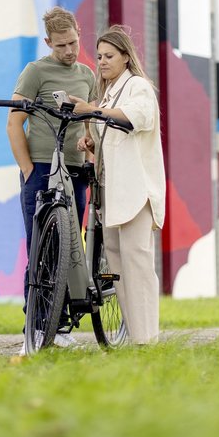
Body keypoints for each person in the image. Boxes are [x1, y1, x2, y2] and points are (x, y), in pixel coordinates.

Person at [7, 6, 96, 350]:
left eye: (72, 43)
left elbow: (89, 124)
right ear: (48, 42)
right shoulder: (35, 72)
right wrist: (28, 170)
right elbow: (14, 122)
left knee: (71, 248)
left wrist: (90, 157)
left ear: (78, 34)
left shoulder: (87, 75)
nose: (68, 51)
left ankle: (61, 327)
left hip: (75, 171)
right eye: (60, 46)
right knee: (41, 248)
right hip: (42, 168)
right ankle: (37, 328)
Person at [71, 25, 166, 345]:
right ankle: (136, 337)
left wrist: (91, 110)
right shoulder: (109, 93)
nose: (102, 62)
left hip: (136, 191)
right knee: (118, 267)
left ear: (126, 57)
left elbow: (135, 119)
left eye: (109, 56)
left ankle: (148, 339)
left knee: (137, 263)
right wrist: (91, 142)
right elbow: (114, 141)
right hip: (110, 195)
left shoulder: (137, 86)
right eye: (98, 56)